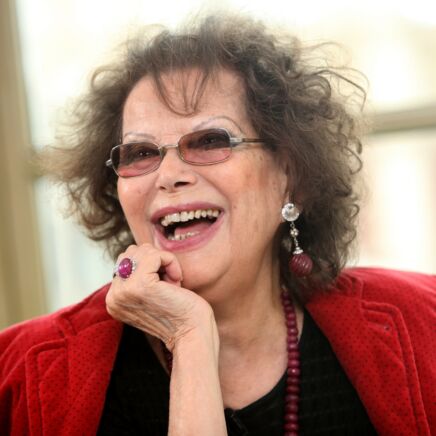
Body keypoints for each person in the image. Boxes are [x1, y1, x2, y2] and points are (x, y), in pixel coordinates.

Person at [0, 12, 435, 436]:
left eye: (210, 141)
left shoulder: (425, 324)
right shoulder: (12, 375)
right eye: (141, 153)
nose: (169, 175)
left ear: (291, 176)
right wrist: (189, 335)